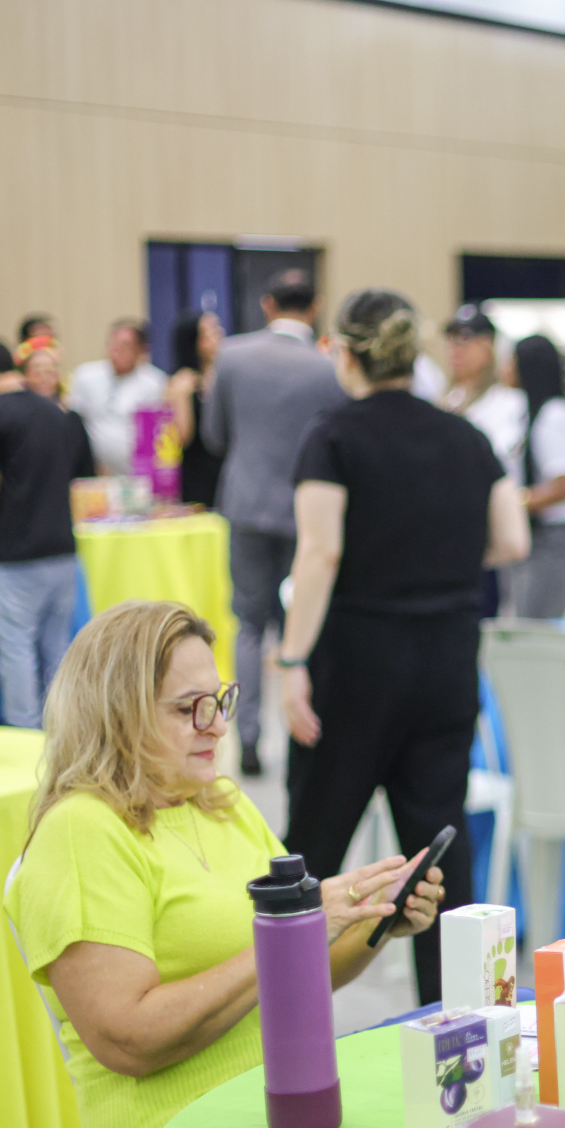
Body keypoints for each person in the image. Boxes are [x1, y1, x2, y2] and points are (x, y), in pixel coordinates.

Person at [3, 600, 445, 1128]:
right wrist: (293, 932)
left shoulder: (220, 803)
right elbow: (128, 1041)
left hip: (277, 1092)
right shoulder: (83, 831)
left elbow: (295, 976)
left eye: (220, 701)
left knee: (459, 1057)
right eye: (189, 709)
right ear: (116, 713)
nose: (215, 726)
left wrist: (377, 924)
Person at [279, 287, 527, 994]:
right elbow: (513, 538)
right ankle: (457, 1034)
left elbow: (318, 555)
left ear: (346, 354)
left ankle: (286, 1028)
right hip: (446, 664)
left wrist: (291, 659)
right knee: (438, 861)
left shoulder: (333, 435)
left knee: (313, 851)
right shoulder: (466, 435)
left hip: (355, 666)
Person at [202, 272, 346, 777]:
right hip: (307, 513)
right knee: (299, 626)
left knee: (248, 623)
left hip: (245, 504)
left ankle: (245, 737)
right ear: (316, 306)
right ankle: (301, 730)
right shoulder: (327, 367)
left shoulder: (233, 356)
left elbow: (213, 434)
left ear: (267, 304)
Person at [0, 340, 94, 728]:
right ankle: (64, 733)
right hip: (62, 550)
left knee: (16, 652)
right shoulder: (55, 411)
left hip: (16, 553)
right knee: (57, 651)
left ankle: (24, 739)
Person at [442, 305, 528, 617]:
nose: (456, 350)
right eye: (451, 341)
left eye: (465, 340)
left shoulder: (509, 404)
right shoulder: (447, 400)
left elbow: (501, 463)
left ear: (488, 347)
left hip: (487, 531)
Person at [507, 334, 565, 618]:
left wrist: (513, 504)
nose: (505, 368)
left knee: (538, 625)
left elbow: (563, 486)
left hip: (557, 540)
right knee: (525, 618)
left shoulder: (555, 416)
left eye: (512, 361)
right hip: (535, 537)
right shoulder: (527, 413)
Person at [70, 319, 166, 476]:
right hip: (92, 473)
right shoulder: (85, 376)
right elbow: (74, 425)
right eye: (112, 345)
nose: (115, 352)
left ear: (142, 351)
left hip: (135, 476)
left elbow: (154, 438)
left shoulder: (155, 383)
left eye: (124, 347)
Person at [164, 311, 224, 508]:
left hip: (226, 470)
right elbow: (181, 438)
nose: (220, 334)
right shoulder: (182, 383)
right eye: (211, 332)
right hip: (197, 473)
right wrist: (183, 397)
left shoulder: (225, 377)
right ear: (195, 342)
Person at [18, 335, 65, 404]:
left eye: (49, 372)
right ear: (26, 374)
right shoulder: (18, 403)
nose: (44, 378)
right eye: (37, 373)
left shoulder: (68, 404)